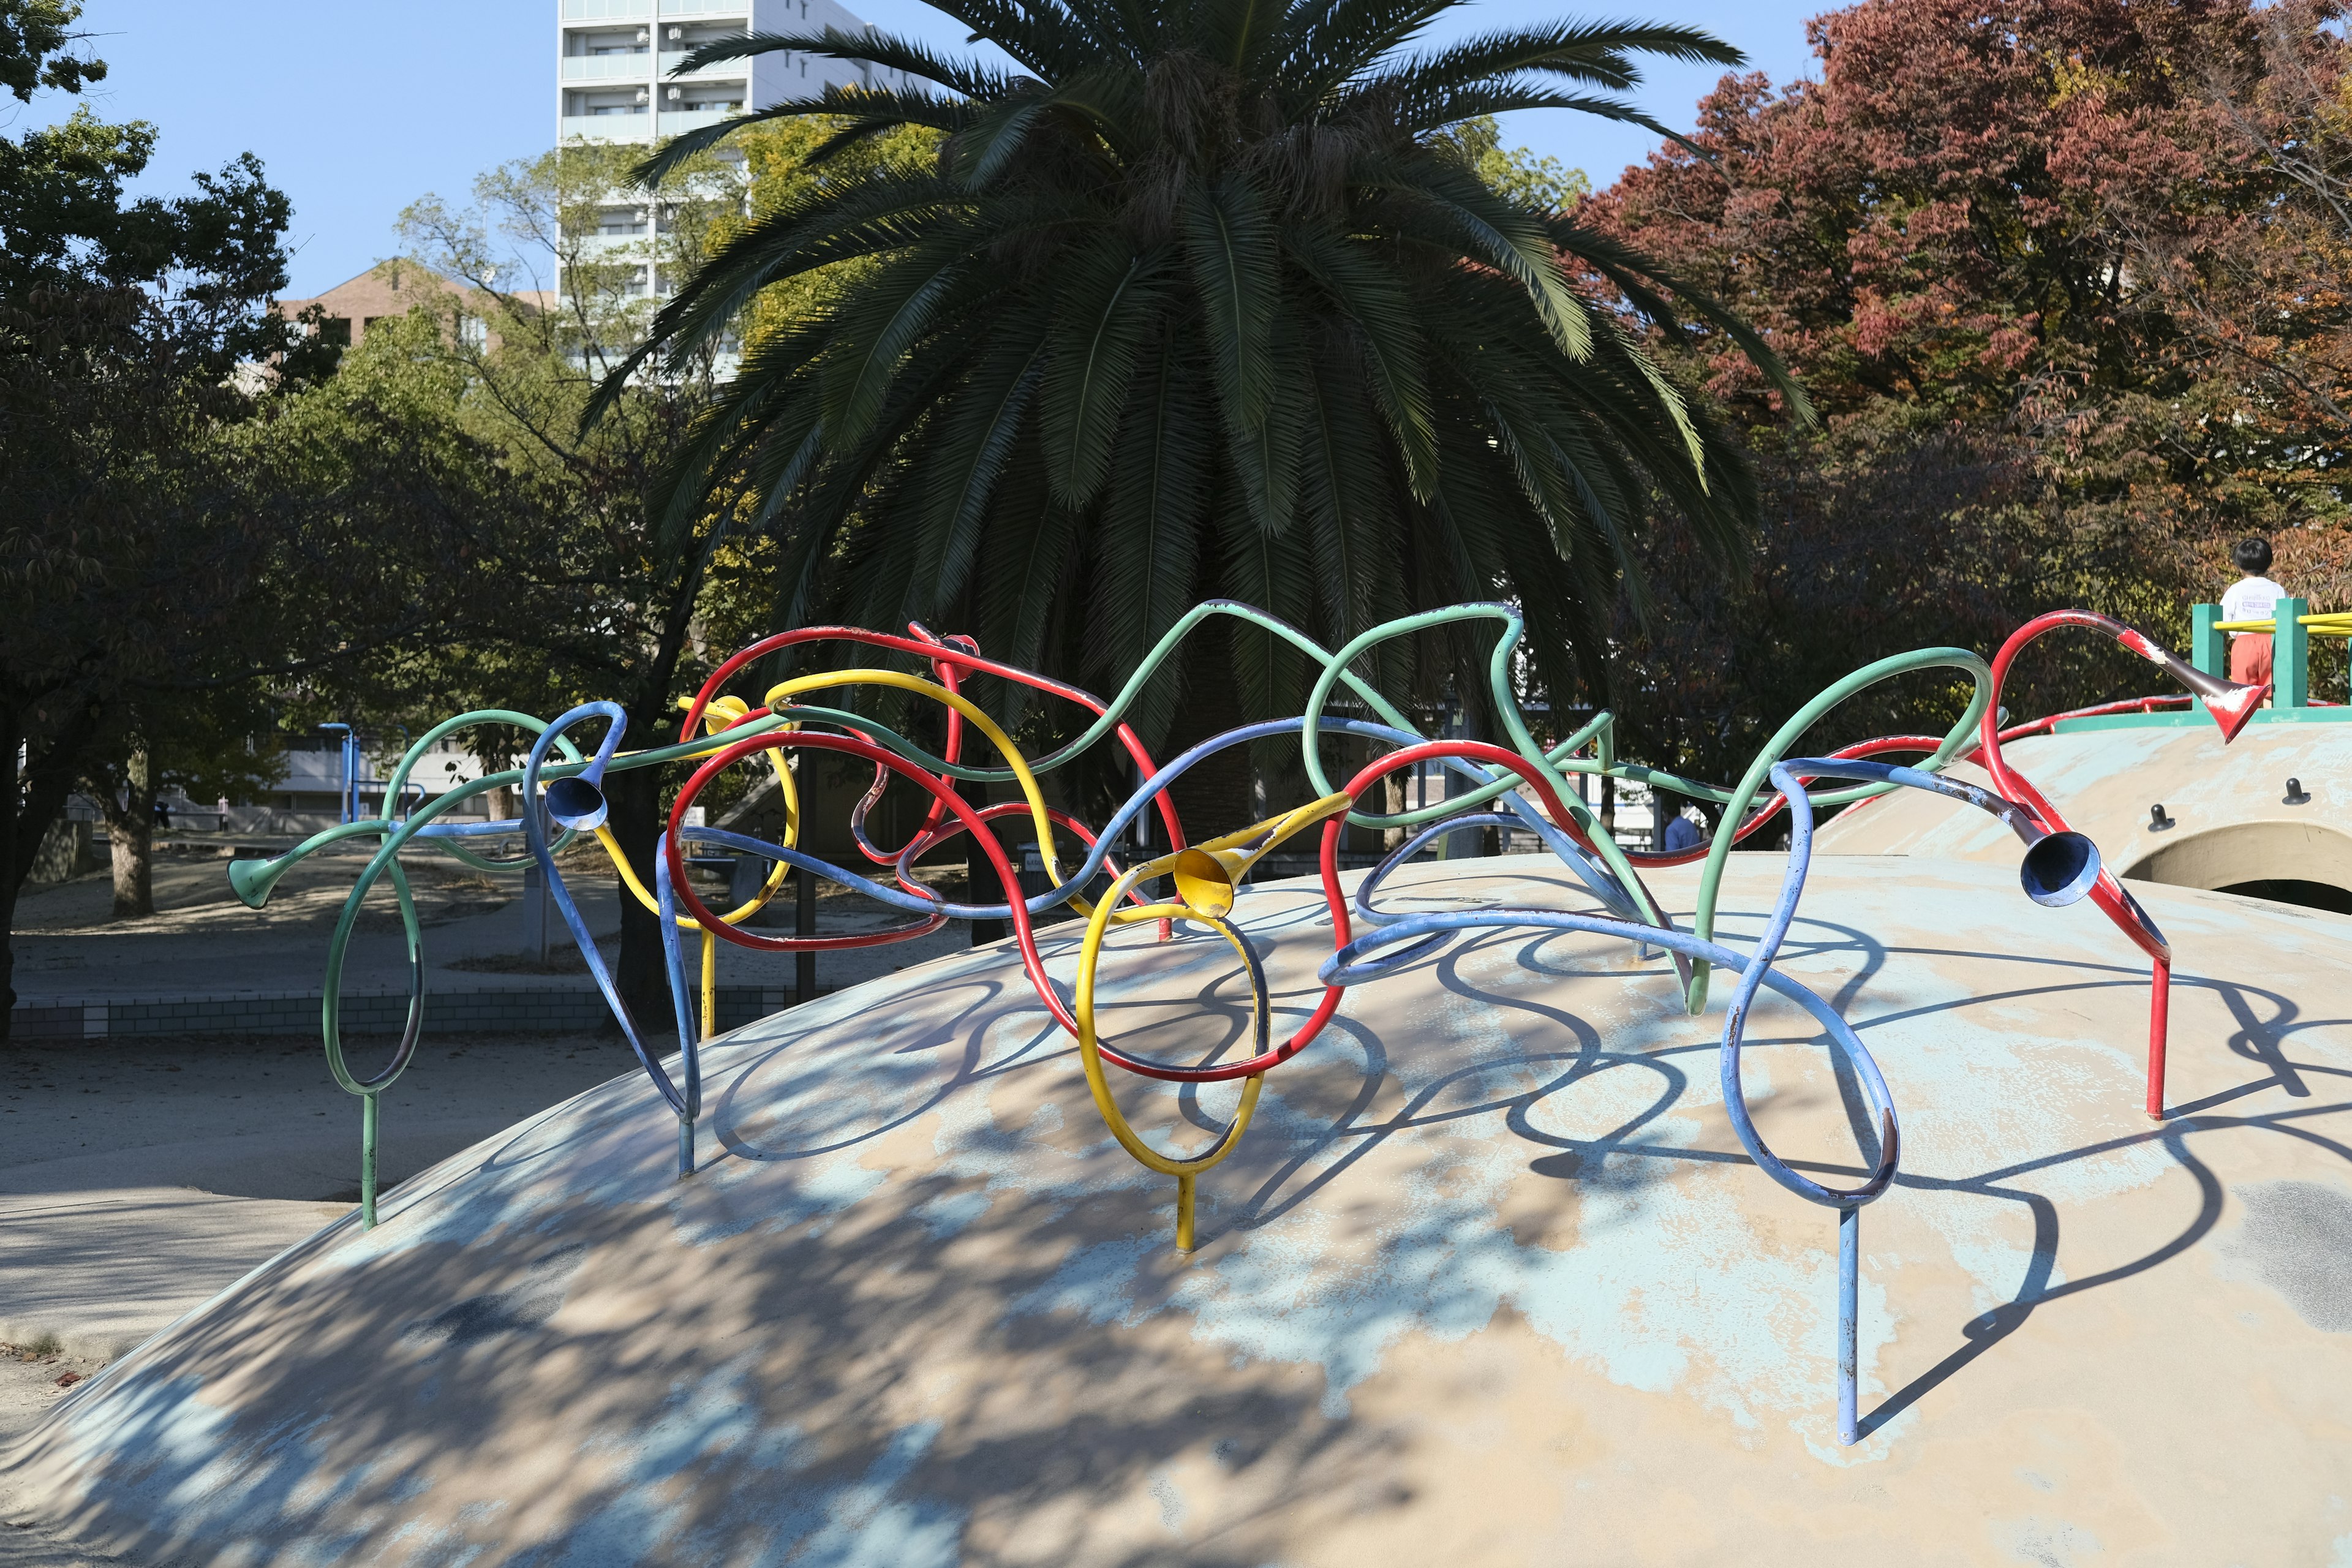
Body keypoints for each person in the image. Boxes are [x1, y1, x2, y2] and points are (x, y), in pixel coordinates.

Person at [2221, 537, 2287, 686]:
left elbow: (2224, 618)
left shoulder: (2235, 590)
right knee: (2271, 690)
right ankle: (2271, 710)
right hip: (2272, 642)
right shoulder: (2277, 589)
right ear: (2268, 563)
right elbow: (2285, 615)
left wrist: (2234, 633)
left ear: (2240, 565)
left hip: (2244, 642)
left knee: (2244, 691)